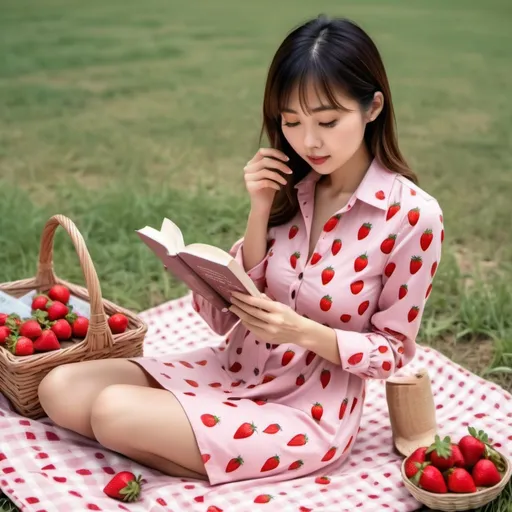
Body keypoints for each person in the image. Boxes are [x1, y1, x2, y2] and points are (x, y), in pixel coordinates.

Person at [38, 14, 444, 486]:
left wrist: (303, 331)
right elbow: (225, 320)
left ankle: (198, 446)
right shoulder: (293, 186)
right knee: (59, 388)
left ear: (372, 108)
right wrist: (259, 208)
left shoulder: (412, 215)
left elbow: (393, 351)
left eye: (328, 121)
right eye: (290, 121)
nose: (308, 141)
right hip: (233, 369)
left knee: (111, 412)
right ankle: (200, 444)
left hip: (308, 409)